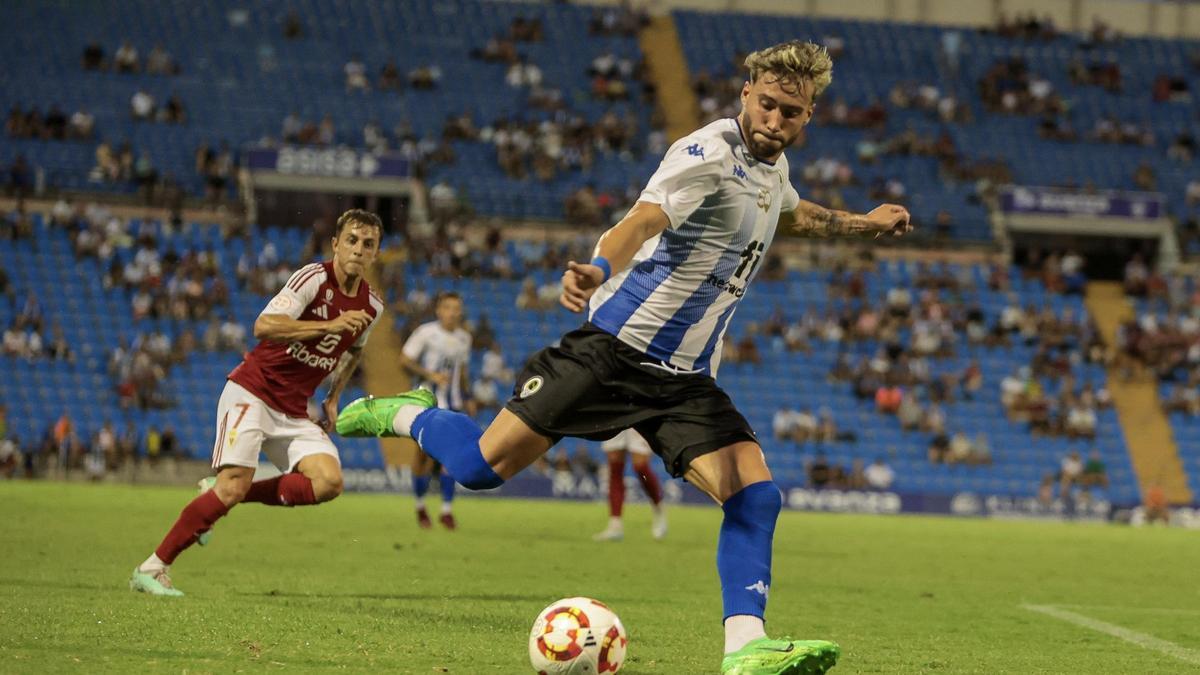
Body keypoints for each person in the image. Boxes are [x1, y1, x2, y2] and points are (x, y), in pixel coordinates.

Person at [337, 41, 910, 674]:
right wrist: (598, 265)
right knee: (479, 468)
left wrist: (867, 223)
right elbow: (642, 220)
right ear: (745, 94)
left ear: (808, 117)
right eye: (767, 105)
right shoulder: (705, 154)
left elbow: (799, 216)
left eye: (791, 112)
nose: (775, 120)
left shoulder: (772, 172)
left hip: (687, 380)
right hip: (613, 353)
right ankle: (406, 413)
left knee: (756, 494)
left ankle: (746, 648)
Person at [128, 209, 384, 596]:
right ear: (335, 244)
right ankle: (152, 568)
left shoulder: (372, 307)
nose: (358, 250)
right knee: (230, 488)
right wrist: (325, 326)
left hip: (294, 409)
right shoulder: (313, 279)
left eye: (368, 244)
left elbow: (354, 350)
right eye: (351, 240)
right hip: (253, 392)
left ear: (376, 253)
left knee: (329, 482)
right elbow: (263, 326)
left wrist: (333, 397)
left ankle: (227, 494)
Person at [398, 291, 473, 529]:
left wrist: (467, 395)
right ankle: (420, 506)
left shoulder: (464, 338)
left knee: (452, 457)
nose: (453, 312)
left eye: (456, 308)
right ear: (439, 310)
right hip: (428, 403)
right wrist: (429, 375)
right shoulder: (426, 333)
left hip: (453, 404)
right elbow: (404, 359)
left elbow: (462, 371)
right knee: (423, 457)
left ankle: (446, 510)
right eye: (448, 307)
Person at [593, 428, 667, 541]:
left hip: (638, 413)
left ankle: (658, 507)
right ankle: (615, 525)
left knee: (640, 467)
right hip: (615, 414)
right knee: (615, 468)